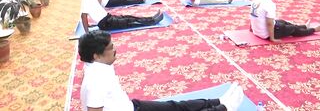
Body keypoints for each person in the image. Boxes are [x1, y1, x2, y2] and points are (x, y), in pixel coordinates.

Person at [79, 30, 245, 111]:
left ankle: (217, 101)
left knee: (173, 106)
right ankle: (224, 109)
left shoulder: (98, 65)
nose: (115, 49)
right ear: (96, 55)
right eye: (110, 47)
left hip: (130, 106)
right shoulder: (95, 80)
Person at [250, 0, 320, 42]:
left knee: (282, 22)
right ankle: (314, 30)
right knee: (293, 29)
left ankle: (304, 26)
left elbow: (252, 15)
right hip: (265, 34)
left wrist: (253, 28)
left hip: (257, 31)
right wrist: (272, 38)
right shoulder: (269, 3)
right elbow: (269, 24)